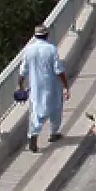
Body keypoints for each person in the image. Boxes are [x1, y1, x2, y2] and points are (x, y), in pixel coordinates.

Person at [18, 24, 68, 154]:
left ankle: (33, 135)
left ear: (35, 36)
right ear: (47, 35)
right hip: (52, 86)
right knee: (55, 109)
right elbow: (59, 70)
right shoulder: (51, 49)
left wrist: (20, 85)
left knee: (36, 111)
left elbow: (23, 71)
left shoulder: (28, 50)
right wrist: (65, 86)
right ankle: (53, 133)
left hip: (35, 87)